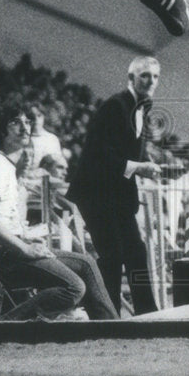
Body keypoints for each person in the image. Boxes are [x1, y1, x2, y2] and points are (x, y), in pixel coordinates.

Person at [0, 98, 119, 321]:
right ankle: (5, 323)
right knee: (75, 287)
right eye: (15, 122)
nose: (25, 127)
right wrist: (25, 249)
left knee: (86, 264)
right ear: (1, 131)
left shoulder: (4, 166)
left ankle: (111, 326)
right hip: (4, 256)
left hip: (8, 250)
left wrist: (26, 241)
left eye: (27, 121)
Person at [67, 57, 162, 315]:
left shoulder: (141, 108)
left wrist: (147, 163)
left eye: (154, 77)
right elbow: (100, 153)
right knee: (112, 255)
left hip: (116, 193)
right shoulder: (115, 106)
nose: (150, 81)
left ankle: (147, 313)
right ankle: (108, 316)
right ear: (131, 79)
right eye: (144, 76)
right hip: (95, 192)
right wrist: (139, 167)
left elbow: (123, 150)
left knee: (136, 251)